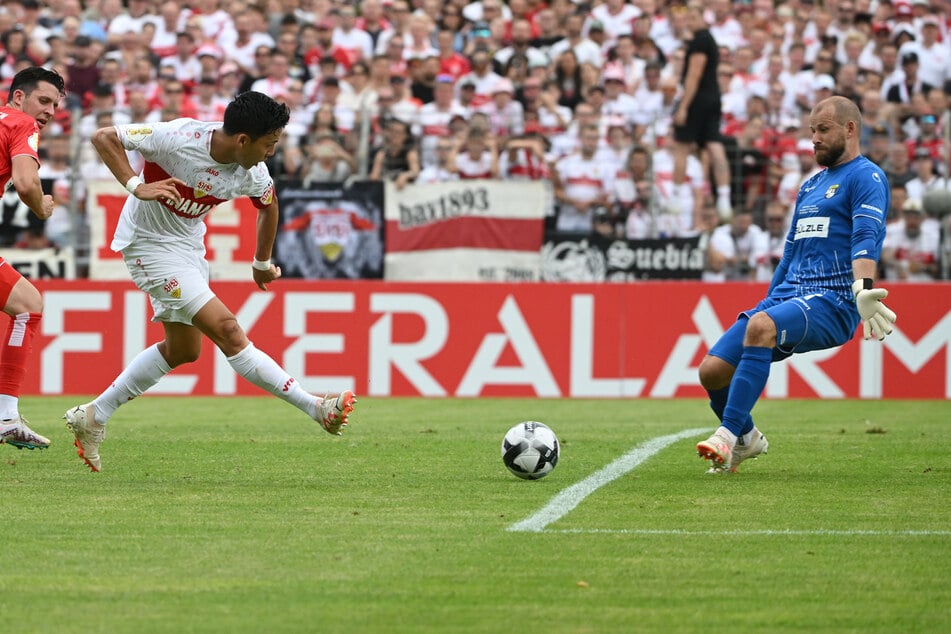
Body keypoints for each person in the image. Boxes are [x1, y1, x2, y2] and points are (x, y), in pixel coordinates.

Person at [65, 91, 357, 473]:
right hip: (146, 246)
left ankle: (94, 414)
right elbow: (105, 136)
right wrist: (137, 185)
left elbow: (268, 206)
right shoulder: (178, 137)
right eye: (269, 144)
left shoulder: (252, 172)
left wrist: (261, 261)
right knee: (229, 330)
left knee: (184, 350)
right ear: (242, 140)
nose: (272, 152)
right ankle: (316, 407)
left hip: (188, 247)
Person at [695, 96, 897, 474]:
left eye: (823, 130)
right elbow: (790, 252)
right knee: (712, 371)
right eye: (812, 131)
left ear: (850, 129)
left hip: (833, 300)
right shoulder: (810, 186)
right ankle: (747, 438)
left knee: (760, 328)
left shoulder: (866, 177)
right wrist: (770, 300)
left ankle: (724, 435)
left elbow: (866, 236)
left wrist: (862, 287)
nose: (815, 139)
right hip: (791, 295)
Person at [0, 67, 64, 451]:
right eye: (44, 100)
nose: (50, 111)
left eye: (55, 105)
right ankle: (5, 415)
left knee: (27, 303)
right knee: (28, 306)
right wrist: (41, 207)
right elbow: (26, 184)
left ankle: (7, 416)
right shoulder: (21, 123)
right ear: (20, 97)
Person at [671, 2, 733, 221]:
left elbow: (693, 75)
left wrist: (684, 107)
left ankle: (675, 198)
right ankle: (724, 197)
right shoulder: (710, 40)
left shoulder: (700, 41)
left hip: (697, 99)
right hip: (713, 97)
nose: (689, 22)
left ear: (702, 18)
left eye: (692, 18)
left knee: (681, 147)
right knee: (714, 145)